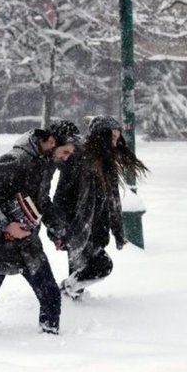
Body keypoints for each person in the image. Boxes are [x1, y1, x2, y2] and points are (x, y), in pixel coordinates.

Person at [0, 120, 81, 334]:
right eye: (65, 151)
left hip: (30, 245)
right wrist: (6, 225)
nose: (66, 157)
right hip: (0, 245)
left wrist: (57, 232)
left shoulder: (47, 162)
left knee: (51, 296)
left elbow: (41, 201)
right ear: (51, 141)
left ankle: (50, 347)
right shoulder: (16, 160)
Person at [53, 116, 148, 300]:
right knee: (101, 266)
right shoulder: (78, 158)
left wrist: (117, 231)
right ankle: (64, 294)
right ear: (100, 136)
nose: (114, 143)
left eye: (116, 138)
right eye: (111, 138)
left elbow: (113, 201)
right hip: (77, 228)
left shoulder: (106, 162)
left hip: (96, 229)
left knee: (81, 274)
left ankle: (68, 299)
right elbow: (61, 196)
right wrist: (58, 231)